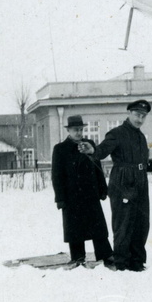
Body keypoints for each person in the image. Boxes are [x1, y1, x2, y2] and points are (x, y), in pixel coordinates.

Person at [80, 100, 152, 271]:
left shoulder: (140, 137)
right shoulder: (117, 133)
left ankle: (137, 262)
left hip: (140, 184)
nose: (140, 119)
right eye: (137, 115)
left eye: (143, 116)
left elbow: (143, 165)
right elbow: (101, 151)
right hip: (122, 183)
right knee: (123, 224)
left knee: (141, 224)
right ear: (129, 113)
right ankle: (122, 263)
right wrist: (92, 150)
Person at [51, 115, 115, 270]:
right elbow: (56, 176)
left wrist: (102, 188)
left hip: (90, 194)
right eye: (75, 130)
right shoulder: (60, 149)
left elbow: (98, 168)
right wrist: (60, 198)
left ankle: (106, 255)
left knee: (98, 226)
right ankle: (78, 257)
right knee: (75, 228)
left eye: (80, 129)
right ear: (68, 130)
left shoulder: (90, 145)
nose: (78, 133)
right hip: (71, 195)